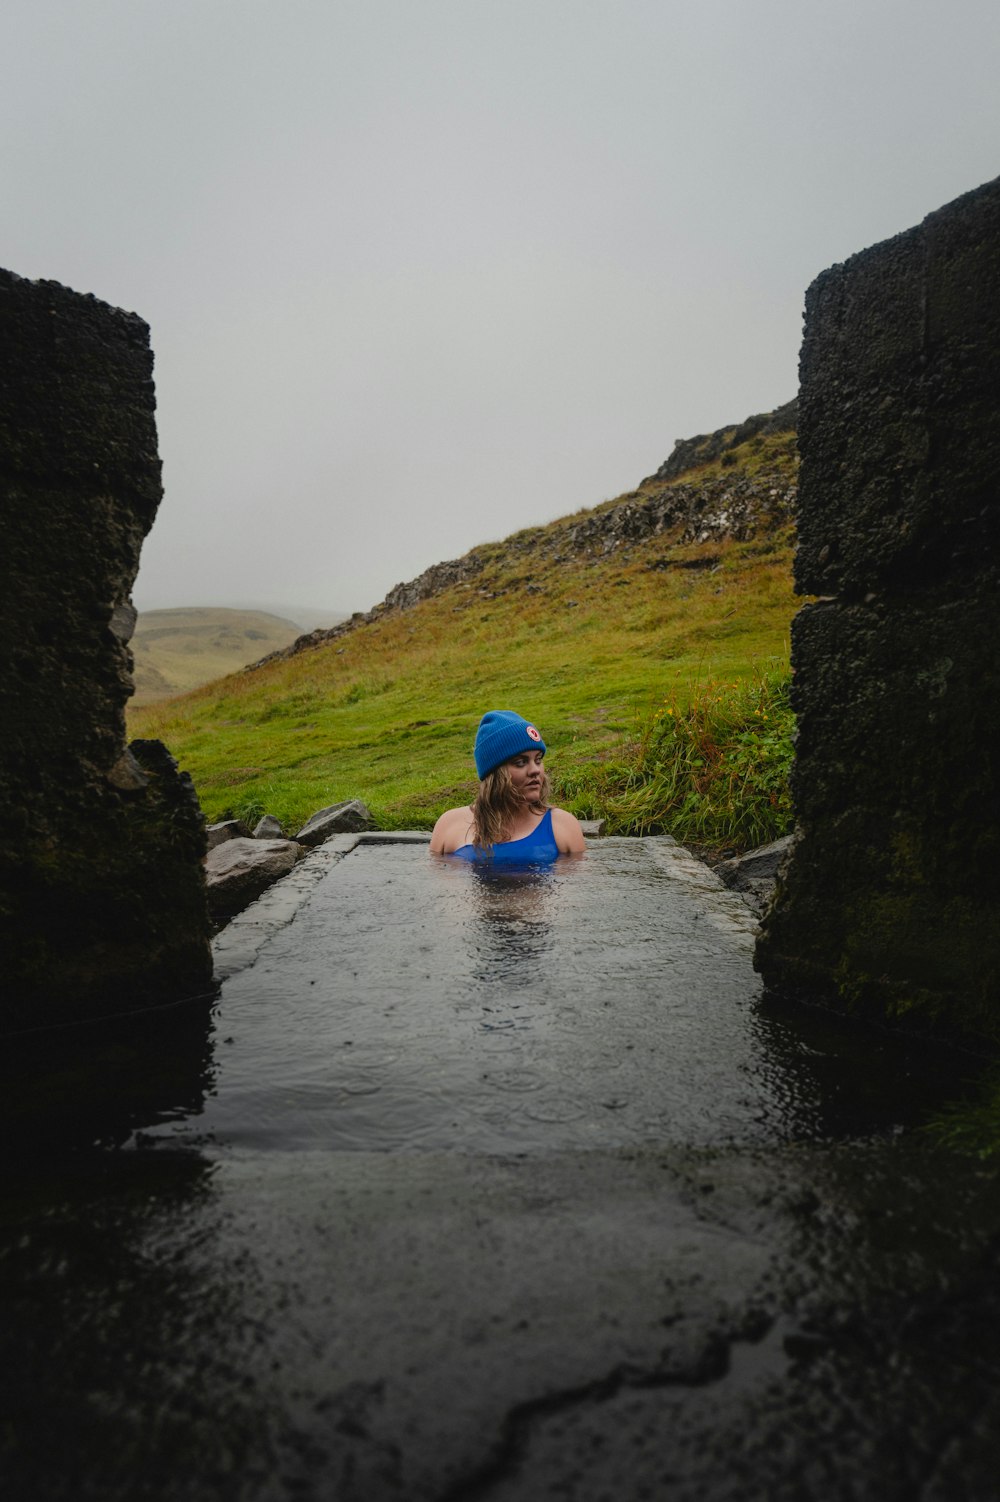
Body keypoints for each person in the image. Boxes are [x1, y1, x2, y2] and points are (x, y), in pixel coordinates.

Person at [430, 710, 586, 862]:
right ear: (494, 774)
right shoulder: (450, 824)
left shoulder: (563, 826)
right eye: (520, 763)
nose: (535, 770)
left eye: (538, 760)